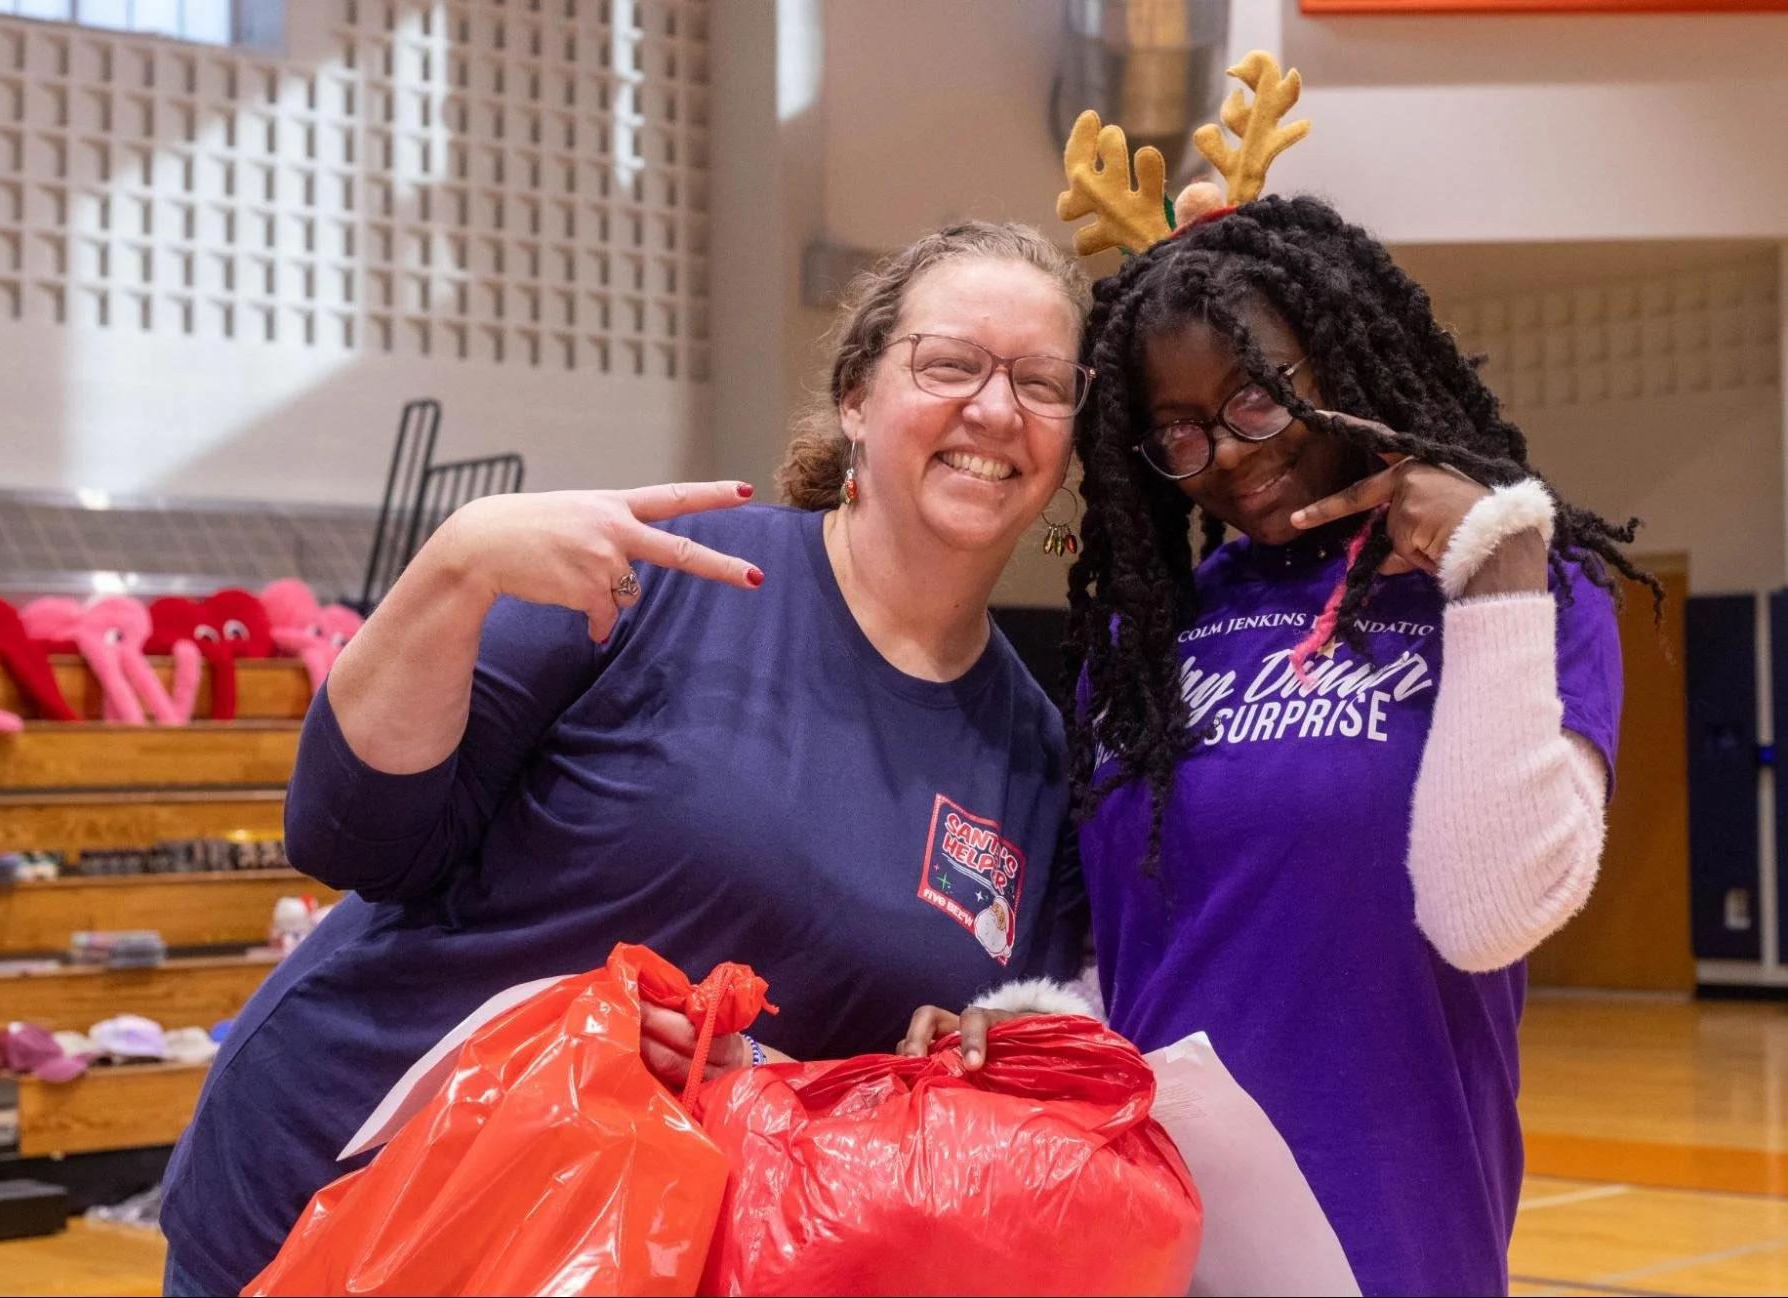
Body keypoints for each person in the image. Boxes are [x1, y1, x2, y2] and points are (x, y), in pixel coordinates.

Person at [157, 221, 1096, 1296]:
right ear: (854, 397)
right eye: (949, 364)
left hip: (608, 1259)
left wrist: (913, 1064)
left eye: (1040, 382)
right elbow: (346, 835)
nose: (994, 408)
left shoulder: (1035, 756)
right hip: (337, 1213)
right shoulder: (659, 580)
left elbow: (926, 1082)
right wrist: (454, 567)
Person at [905, 74, 1655, 1296]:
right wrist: (1034, 1016)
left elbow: (1486, 913)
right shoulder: (1150, 637)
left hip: (1394, 1237)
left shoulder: (1525, 588)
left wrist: (1497, 563)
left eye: (1258, 397)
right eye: (1181, 432)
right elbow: (1146, 954)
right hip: (1148, 1238)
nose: (1230, 457)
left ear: (1349, 351)